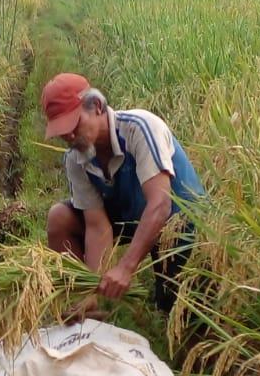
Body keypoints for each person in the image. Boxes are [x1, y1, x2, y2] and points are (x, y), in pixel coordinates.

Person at [41, 72, 205, 316]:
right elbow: (97, 226)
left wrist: (126, 268)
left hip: (180, 221)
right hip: (130, 218)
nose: (70, 137)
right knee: (59, 217)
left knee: (179, 312)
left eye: (74, 125)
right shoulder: (76, 158)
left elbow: (161, 205)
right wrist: (91, 292)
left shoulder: (140, 128)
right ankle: (86, 310)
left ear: (96, 106)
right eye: (62, 132)